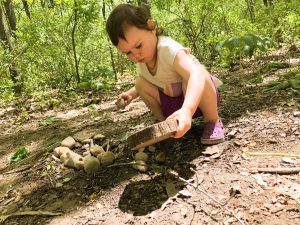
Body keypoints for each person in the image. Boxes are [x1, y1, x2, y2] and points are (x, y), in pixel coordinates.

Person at [106, 3, 224, 145]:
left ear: (151, 28)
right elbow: (146, 82)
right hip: (175, 104)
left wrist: (187, 109)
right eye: (128, 52)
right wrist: (131, 95)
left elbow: (196, 75)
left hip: (199, 99)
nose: (135, 55)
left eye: (138, 46)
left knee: (199, 72)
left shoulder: (168, 49)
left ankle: (212, 121)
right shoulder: (142, 62)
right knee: (140, 82)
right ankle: (165, 124)